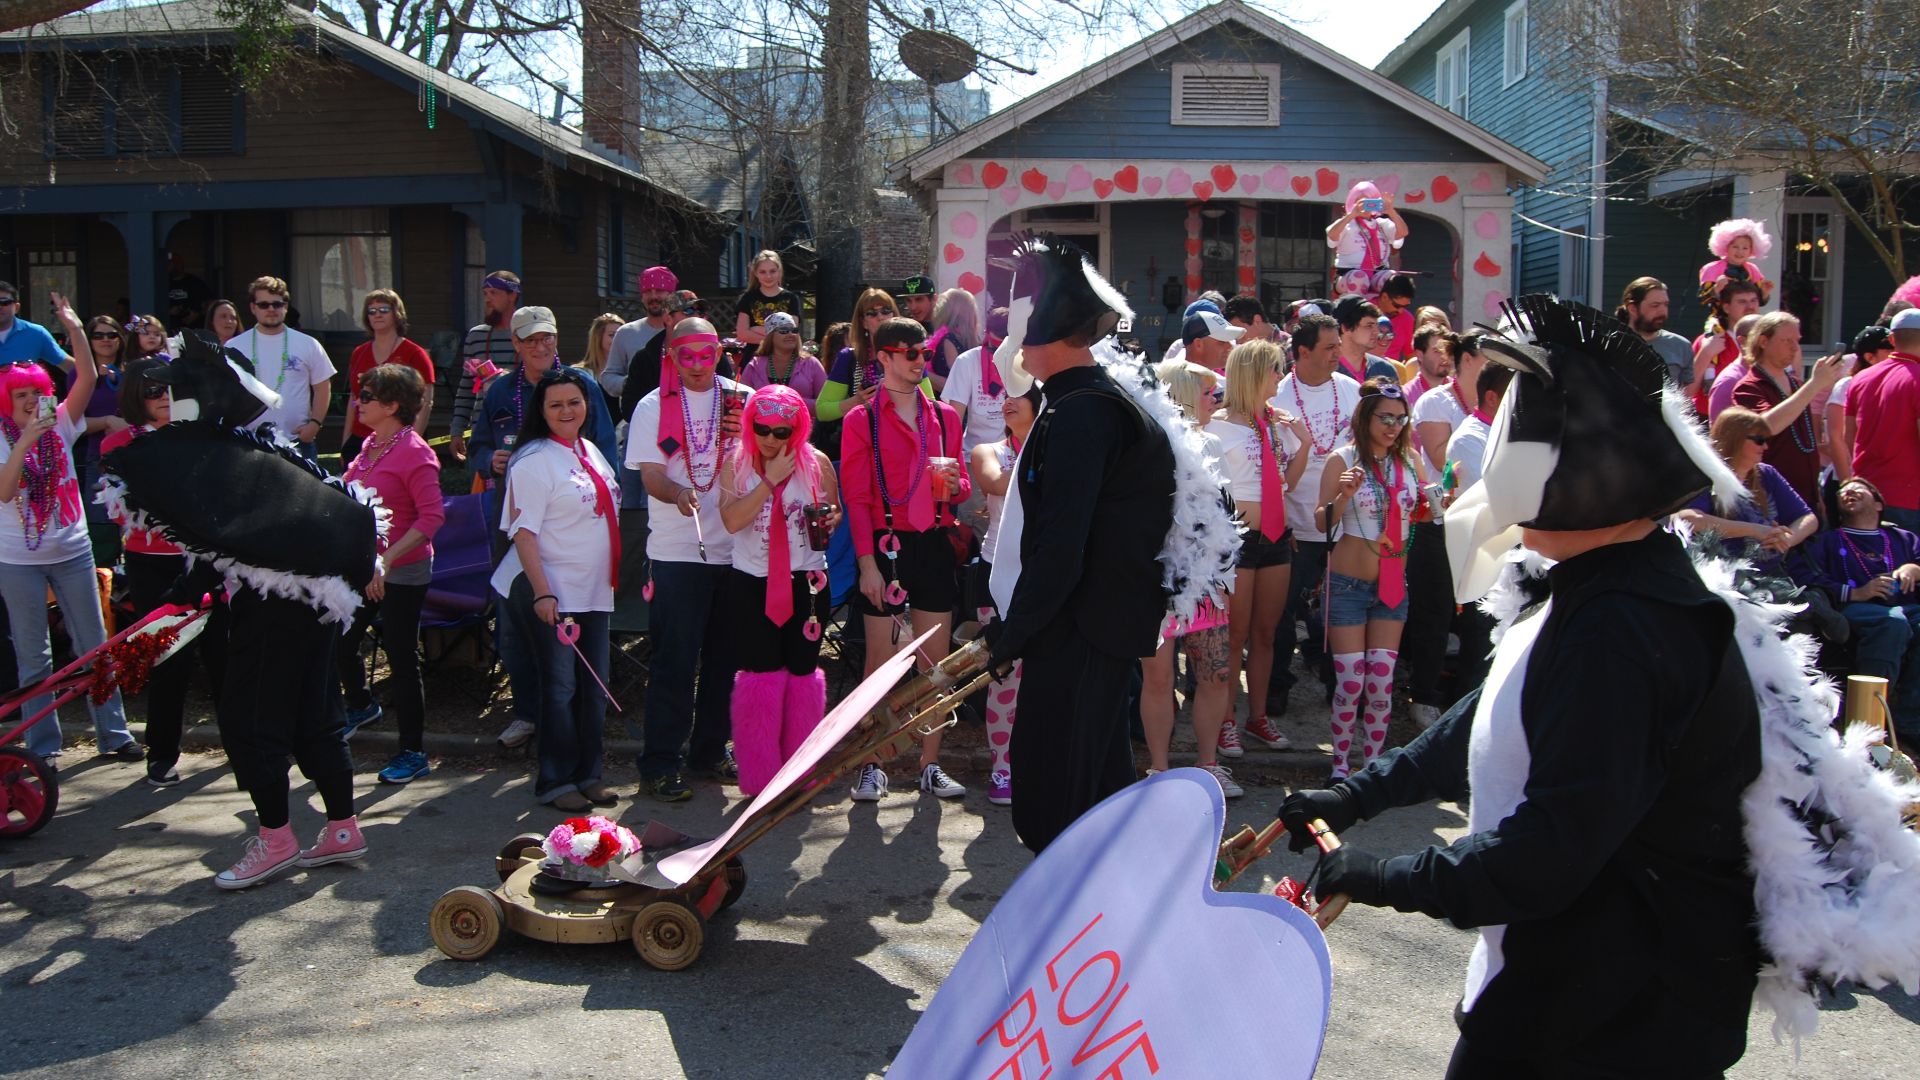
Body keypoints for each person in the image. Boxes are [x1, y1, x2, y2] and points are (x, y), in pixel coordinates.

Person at [1282, 294, 1766, 1076]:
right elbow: (1498, 713)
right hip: (1567, 971)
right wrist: (1355, 795)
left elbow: (1553, 847)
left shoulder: (1629, 624)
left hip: (1622, 1011)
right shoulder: (1593, 581)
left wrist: (1389, 877)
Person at [108, 330, 382, 890]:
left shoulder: (222, 457)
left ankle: (277, 839)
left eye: (174, 394)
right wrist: (185, 595)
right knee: (315, 714)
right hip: (319, 606)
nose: (167, 403)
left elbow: (224, 541)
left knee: (251, 720)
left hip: (274, 612)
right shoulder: (268, 449)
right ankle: (342, 828)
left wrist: (184, 594)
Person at [984, 233, 1175, 853]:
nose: (1013, 345)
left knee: (1060, 805)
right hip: (1082, 627)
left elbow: (1063, 543)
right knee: (1090, 793)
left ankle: (1071, 910)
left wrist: (1015, 631)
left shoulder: (1085, 412)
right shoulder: (1078, 403)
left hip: (1083, 630)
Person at [0, 291, 140, 765]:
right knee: (33, 656)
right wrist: (25, 442)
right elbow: (5, 492)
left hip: (73, 552)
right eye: (21, 395)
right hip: (17, 561)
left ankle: (114, 734)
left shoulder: (61, 421)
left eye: (37, 393)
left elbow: (89, 377)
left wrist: (75, 328)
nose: (31, 401)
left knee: (94, 645)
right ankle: (43, 748)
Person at [472, 306, 619, 753]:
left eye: (547, 337)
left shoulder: (581, 384)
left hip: (573, 528)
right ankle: (528, 712)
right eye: (530, 339)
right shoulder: (500, 390)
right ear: (515, 344)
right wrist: (490, 460)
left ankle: (571, 728)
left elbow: (604, 450)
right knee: (515, 622)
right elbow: (478, 446)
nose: (541, 346)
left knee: (575, 632)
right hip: (516, 523)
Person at [841, 316, 970, 801]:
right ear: (884, 357)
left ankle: (929, 764)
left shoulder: (945, 417)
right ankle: (871, 764)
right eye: (911, 353)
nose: (921, 361)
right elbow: (856, 499)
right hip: (886, 545)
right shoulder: (861, 419)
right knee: (880, 661)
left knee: (935, 663)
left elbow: (960, 485)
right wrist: (866, 563)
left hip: (934, 542)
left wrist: (958, 486)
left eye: (925, 353)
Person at [492, 365, 622, 812]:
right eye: (556, 405)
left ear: (587, 405)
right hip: (551, 589)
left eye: (574, 402)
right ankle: (555, 780)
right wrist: (543, 593)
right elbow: (523, 534)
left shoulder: (590, 449)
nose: (567, 411)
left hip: (592, 589)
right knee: (560, 688)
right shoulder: (532, 460)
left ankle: (589, 775)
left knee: (594, 686)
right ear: (542, 411)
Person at [628, 317, 746, 801]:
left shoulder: (741, 397)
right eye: (687, 356)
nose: (697, 365)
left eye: (705, 354)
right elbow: (650, 474)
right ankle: (659, 763)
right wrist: (677, 493)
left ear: (718, 353)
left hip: (736, 550)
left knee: (725, 662)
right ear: (672, 356)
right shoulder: (653, 404)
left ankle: (709, 752)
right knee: (675, 663)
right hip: (678, 553)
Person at [99, 359, 228, 786]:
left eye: (170, 389)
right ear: (136, 395)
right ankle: (162, 754)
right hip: (151, 563)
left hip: (204, 558)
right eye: (154, 391)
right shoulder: (118, 444)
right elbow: (123, 512)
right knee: (168, 659)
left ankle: (244, 745)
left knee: (223, 654)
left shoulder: (196, 435)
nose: (164, 398)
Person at [717, 384, 838, 796]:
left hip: (807, 582)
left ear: (797, 429)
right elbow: (732, 521)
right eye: (761, 428)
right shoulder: (737, 464)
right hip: (752, 583)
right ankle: (759, 779)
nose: (770, 439)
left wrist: (832, 518)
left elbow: (833, 512)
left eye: (781, 432)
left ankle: (799, 774)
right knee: (760, 679)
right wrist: (769, 481)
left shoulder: (818, 463)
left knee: (803, 677)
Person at [335, 364, 444, 783]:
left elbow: (432, 518)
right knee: (342, 642)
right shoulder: (369, 445)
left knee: (401, 658)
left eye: (366, 397)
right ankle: (362, 705)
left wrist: (389, 559)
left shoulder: (416, 452)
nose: (357, 403)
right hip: (366, 568)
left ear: (393, 405)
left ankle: (413, 752)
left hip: (403, 570)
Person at [1314, 377, 1426, 778]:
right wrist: (1343, 495)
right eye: (1385, 418)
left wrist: (1439, 501)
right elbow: (1321, 521)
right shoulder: (1342, 460)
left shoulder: (1409, 461)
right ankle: (1340, 767)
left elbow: (1421, 514)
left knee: (1381, 686)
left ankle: (1373, 767)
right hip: (1347, 585)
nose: (1394, 426)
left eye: (1400, 418)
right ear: (1365, 418)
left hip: (1393, 587)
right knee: (1351, 684)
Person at [1137, 360, 1238, 793]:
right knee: (1160, 679)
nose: (1215, 398)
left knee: (1216, 674)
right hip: (1156, 579)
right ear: (1181, 393)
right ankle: (1159, 771)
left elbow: (1224, 515)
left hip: (1206, 579)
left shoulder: (1212, 443)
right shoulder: (1148, 445)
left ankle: (1208, 764)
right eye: (1206, 391)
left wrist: (1223, 575)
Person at [1210, 339, 1310, 756]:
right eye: (1275, 368)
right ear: (1254, 372)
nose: (1281, 376)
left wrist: (1303, 441)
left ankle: (1257, 717)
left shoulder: (1276, 421)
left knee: (1266, 634)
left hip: (1276, 538)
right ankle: (1225, 721)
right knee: (1234, 636)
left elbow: (1289, 483)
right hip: (1240, 539)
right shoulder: (1218, 424)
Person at [1268, 313, 1361, 710]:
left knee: (1341, 613)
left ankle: (1340, 688)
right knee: (1282, 614)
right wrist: (1280, 522)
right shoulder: (1276, 396)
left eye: (1339, 345)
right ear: (1303, 352)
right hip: (1294, 527)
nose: (1338, 353)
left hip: (1344, 526)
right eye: (1329, 347)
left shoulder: (1352, 391)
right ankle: (1277, 687)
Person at [1794, 477, 1920, 742]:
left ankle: (1909, 722)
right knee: (1892, 624)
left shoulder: (1904, 538)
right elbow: (1803, 576)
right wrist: (1856, 592)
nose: (1848, 491)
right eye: (1842, 491)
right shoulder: (1827, 541)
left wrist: (1914, 568)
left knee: (1901, 619)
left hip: (1905, 607)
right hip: (1853, 608)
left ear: (1878, 504)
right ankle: (1867, 724)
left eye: (1858, 487)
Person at [968, 383, 1042, 806]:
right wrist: (1042, 452)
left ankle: (1039, 765)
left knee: (1046, 673)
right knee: (1005, 673)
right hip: (997, 573)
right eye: (1004, 395)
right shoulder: (989, 451)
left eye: (1019, 394)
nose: (1007, 401)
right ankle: (1002, 768)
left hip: (1045, 575)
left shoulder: (1056, 449)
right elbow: (996, 484)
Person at [1676, 408, 1817, 578]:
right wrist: (1755, 530)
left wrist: (1785, 539)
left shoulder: (1766, 474)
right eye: (1759, 440)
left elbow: (1809, 519)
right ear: (1735, 439)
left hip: (1770, 577)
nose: (1765, 446)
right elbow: (1688, 519)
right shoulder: (1705, 476)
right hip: (1722, 578)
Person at [1730, 311, 1845, 517]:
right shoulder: (1749, 386)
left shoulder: (1796, 385)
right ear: (1763, 341)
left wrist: (1816, 493)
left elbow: (1807, 441)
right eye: (1787, 341)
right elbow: (1766, 426)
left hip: (1806, 497)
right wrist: (1814, 385)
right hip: (1772, 498)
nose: (1795, 348)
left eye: (1797, 341)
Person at [229, 276, 333, 456]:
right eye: (263, 305)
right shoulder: (233, 346)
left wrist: (315, 424)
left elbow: (323, 387)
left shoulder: (308, 344)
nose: (271, 309)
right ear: (253, 308)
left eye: (277, 304)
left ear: (285, 306)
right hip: (248, 443)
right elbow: (224, 391)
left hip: (297, 442)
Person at [1845, 308, 1920, 532]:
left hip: (1865, 494)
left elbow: (1849, 437)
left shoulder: (1860, 378)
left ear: (1892, 339)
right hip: (1910, 498)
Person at [342, 289, 434, 464]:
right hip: (360, 439)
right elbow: (354, 398)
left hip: (399, 439)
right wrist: (346, 440)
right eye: (372, 311)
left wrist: (411, 443)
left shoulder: (415, 354)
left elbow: (426, 402)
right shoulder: (359, 353)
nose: (377, 315)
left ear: (396, 314)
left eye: (384, 310)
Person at [817, 288, 925, 423]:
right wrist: (856, 401)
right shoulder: (849, 357)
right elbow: (822, 410)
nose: (881, 317)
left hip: (906, 431)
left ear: (894, 315)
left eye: (886, 311)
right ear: (863, 322)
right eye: (872, 313)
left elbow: (929, 404)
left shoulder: (912, 353)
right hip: (863, 432)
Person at [449, 270, 522, 463]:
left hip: (522, 432)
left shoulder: (530, 336)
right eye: (485, 294)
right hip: (482, 434)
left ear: (512, 295)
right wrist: (457, 430)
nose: (487, 299)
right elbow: (466, 388)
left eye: (494, 293)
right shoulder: (476, 336)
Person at [76, 314, 132, 566]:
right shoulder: (80, 376)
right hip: (98, 459)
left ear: (121, 339)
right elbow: (71, 424)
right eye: (98, 335)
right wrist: (108, 421)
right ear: (89, 340)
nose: (105, 340)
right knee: (102, 529)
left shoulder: (134, 372)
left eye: (111, 334)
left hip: (135, 455)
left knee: (138, 524)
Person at [1823, 324, 1894, 486]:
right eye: (1889, 351)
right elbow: (1836, 437)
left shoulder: (1893, 385)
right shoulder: (1847, 385)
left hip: (1880, 478)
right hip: (1848, 481)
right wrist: (1847, 482)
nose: (1895, 355)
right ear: (1869, 357)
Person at [601, 265, 678, 408]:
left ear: (671, 295)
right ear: (642, 297)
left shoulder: (681, 331)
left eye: (659, 291)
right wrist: (632, 382)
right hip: (637, 414)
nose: (653, 297)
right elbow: (608, 377)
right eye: (648, 291)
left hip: (679, 412)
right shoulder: (626, 333)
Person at [942, 305, 1011, 453]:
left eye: (1005, 351)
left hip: (1014, 454)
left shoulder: (1023, 359)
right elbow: (954, 418)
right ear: (986, 334)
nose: (999, 356)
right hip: (972, 454)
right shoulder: (966, 361)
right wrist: (953, 458)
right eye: (995, 349)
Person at [1410, 332, 1479, 473]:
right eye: (1491, 358)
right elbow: (1441, 461)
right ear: (1467, 359)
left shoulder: (1497, 400)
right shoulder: (1434, 401)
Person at [1326, 181, 1408, 299]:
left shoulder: (1382, 224)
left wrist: (1391, 211)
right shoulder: (1346, 223)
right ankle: (1356, 308)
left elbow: (1402, 233)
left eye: (1370, 201)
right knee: (1359, 278)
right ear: (1352, 202)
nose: (1365, 206)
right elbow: (1331, 236)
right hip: (1348, 274)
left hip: (1378, 272)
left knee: (1393, 279)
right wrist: (1351, 215)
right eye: (1361, 202)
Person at [1614, 277, 1696, 392]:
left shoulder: (1681, 346)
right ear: (1632, 309)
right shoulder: (1611, 344)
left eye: (1666, 304)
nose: (1663, 312)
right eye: (1655, 305)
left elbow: (1687, 395)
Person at [1694, 278, 1764, 413]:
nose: (1750, 307)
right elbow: (1687, 392)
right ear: (1726, 307)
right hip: (1711, 418)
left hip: (1756, 417)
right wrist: (1706, 353)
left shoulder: (1772, 342)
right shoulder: (1708, 340)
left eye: (1754, 300)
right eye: (1742, 302)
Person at [738, 311, 827, 405]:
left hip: (804, 415)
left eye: (794, 330)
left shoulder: (811, 363)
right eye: (784, 330)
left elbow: (825, 403)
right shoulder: (754, 366)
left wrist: (791, 402)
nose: (791, 334)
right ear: (770, 336)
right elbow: (743, 401)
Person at [1699, 217, 1775, 306]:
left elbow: (1759, 303)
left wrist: (1765, 293)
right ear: (1726, 247)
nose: (1740, 251)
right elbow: (1702, 300)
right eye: (1735, 247)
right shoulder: (1712, 268)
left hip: (1748, 314)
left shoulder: (1753, 270)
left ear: (1751, 250)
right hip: (1721, 314)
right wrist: (1716, 288)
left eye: (1745, 248)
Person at [1332, 296, 1404, 385]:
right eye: (1369, 326)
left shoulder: (1384, 370)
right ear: (1345, 328)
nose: (1377, 332)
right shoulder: (1324, 371)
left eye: (1376, 326)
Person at [925, 287, 982, 394]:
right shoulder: (973, 340)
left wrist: (923, 373)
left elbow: (957, 385)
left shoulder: (949, 340)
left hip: (949, 403)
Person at [1402, 327, 1454, 409]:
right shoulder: (1406, 397)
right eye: (1437, 351)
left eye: (1447, 350)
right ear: (1420, 355)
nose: (1445, 356)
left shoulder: (1462, 391)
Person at [1179, 308, 1243, 374]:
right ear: (1198, 344)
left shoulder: (1223, 380)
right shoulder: (1175, 380)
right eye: (1222, 342)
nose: (1230, 346)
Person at [1375, 275, 1418, 363]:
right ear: (1384, 297)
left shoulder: (1407, 319)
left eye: (1405, 306)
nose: (1400, 311)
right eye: (1397, 306)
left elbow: (1410, 356)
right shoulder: (1365, 311)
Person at [165, 255, 213, 329]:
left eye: (173, 264)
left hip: (194, 327)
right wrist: (169, 311)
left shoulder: (194, 282)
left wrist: (197, 314)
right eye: (169, 264)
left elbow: (210, 302)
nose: (170, 267)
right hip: (170, 327)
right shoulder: (163, 284)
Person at [577, 312, 623, 380]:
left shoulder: (630, 371)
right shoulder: (580, 373)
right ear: (598, 338)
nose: (618, 339)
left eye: (621, 335)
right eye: (612, 335)